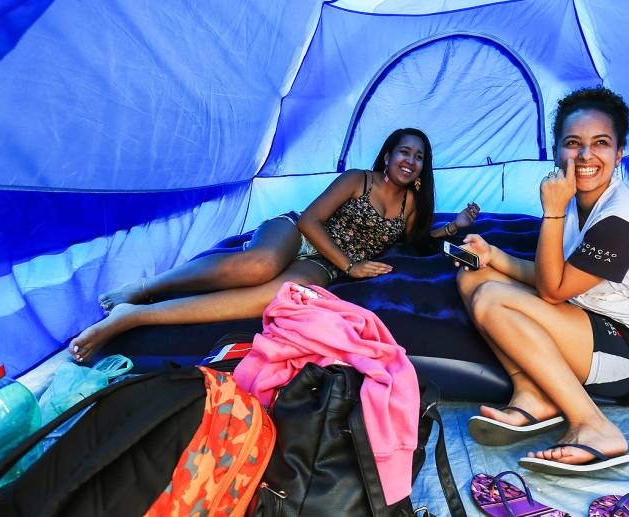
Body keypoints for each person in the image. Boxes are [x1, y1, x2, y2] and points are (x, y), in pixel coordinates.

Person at [70, 128, 480, 361]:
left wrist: (454, 227)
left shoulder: (410, 205)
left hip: (324, 266)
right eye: (404, 152)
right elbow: (309, 219)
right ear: (388, 155)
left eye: (419, 156)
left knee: (274, 296)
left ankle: (134, 317)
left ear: (424, 167)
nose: (410, 160)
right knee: (257, 267)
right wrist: (351, 266)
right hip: (298, 234)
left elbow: (417, 240)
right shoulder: (359, 179)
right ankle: (147, 288)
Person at [455, 88, 629, 474]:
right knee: (473, 275)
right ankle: (533, 395)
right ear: (556, 151)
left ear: (618, 154)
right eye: (572, 143)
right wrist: (494, 256)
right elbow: (559, 278)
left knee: (492, 298)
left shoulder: (619, 220)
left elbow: (552, 290)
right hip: (594, 314)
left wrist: (552, 211)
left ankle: (593, 425)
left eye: (600, 143)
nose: (584, 156)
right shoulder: (580, 202)